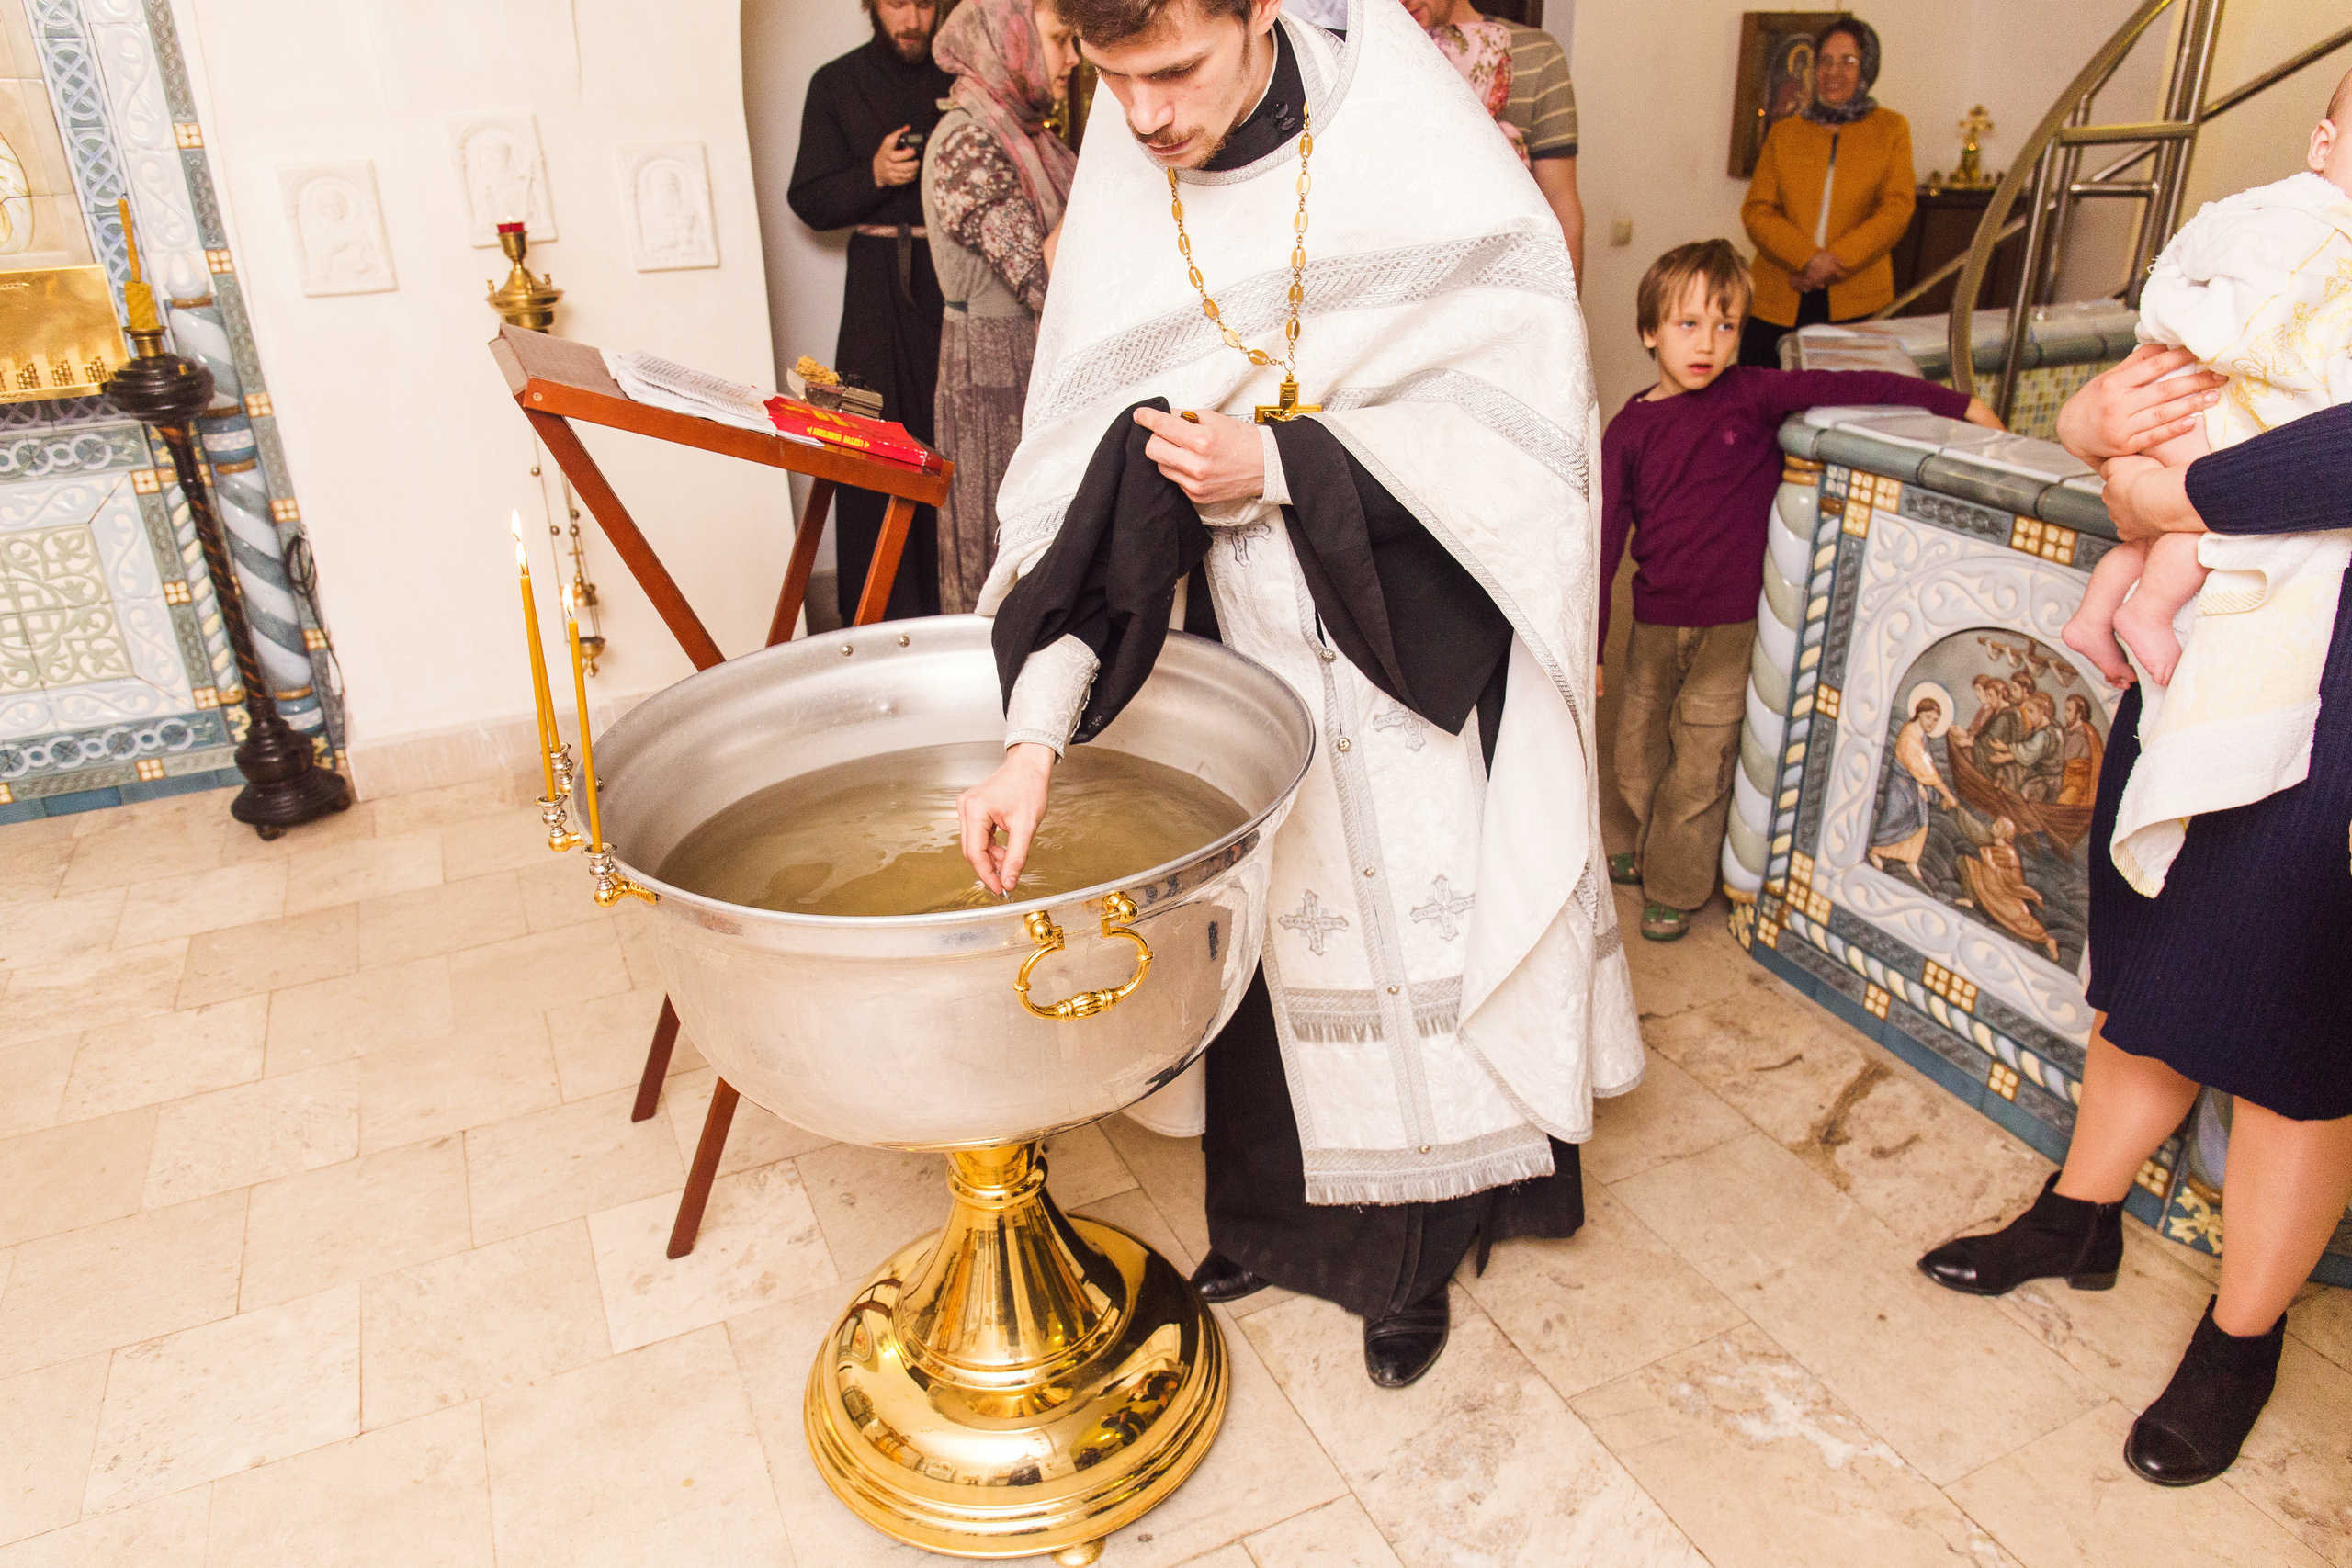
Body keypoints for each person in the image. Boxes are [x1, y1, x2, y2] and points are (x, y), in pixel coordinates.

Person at [953, 0, 1643, 1391]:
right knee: (1283, 933)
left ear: (1262, 7)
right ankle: (1276, 1226)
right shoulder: (1134, 191)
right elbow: (1091, 505)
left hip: (1413, 635)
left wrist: (1278, 464)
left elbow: (1516, 431)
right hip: (1246, 648)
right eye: (1113, 81)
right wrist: (1031, 744)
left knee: (1418, 932)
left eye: (1174, 70)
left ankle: (1416, 1253)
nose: (1144, 117)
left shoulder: (1408, 144)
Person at [1917, 343, 2351, 1489]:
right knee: (2152, 947)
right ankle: (2079, 1216)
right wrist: (2091, 423)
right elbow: (2204, 351)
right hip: (2219, 634)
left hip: (2338, 651)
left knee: (2300, 1020)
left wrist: (2174, 494)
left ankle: (2241, 1341)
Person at [1599, 239, 1998, 941]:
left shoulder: (1753, 396)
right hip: (1656, 620)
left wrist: (1960, 404)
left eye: (1725, 325)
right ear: (1649, 331)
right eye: (1688, 324)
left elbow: (1862, 386)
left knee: (1701, 761)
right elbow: (1603, 541)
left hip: (1730, 626)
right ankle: (1652, 839)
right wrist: (1594, 641)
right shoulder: (1628, 429)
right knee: (1635, 753)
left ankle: (1674, 882)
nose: (1707, 343)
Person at [2063, 78, 2352, 694]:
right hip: (2201, 405)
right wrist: (2083, 422)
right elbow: (2267, 332)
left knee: (2168, 531)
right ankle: (2146, 612)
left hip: (2186, 403)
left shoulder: (2262, 213)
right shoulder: (2308, 231)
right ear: (2322, 147)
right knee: (2206, 524)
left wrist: (2129, 473)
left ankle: (2095, 615)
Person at [789, 0, 955, 624]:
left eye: (923, 3)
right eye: (895, 3)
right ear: (870, 6)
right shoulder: (836, 82)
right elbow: (809, 200)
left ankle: (961, 599)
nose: (911, 19)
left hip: (956, 281)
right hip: (875, 290)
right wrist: (875, 174)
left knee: (955, 435)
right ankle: (878, 613)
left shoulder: (963, 77)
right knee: (870, 438)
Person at [923, 0, 1083, 613]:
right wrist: (1112, 172)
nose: (1074, 58)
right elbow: (1042, 279)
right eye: (1060, 39)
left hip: (1034, 366)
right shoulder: (966, 141)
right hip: (993, 383)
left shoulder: (1031, 136)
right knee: (1005, 561)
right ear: (1010, 40)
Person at [1736, 17, 1914, 368]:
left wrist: (1834, 262)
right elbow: (1757, 210)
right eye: (1825, 61)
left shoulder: (1891, 129)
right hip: (1780, 293)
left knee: (1844, 396)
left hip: (1857, 299)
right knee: (1762, 394)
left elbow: (1896, 210)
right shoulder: (1784, 132)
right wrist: (1808, 259)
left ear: (1867, 69)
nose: (1834, 72)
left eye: (1848, 61)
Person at [1400, 0, 1582, 279]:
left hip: (1510, 278)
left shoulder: (1537, 55)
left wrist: (1566, 303)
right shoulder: (1378, 52)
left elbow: (1561, 207)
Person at [1868, 695, 1959, 883]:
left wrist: (1922, 786)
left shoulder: (1921, 735)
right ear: (1918, 714)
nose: (1932, 723)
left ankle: (1910, 860)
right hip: (1901, 786)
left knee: (1921, 823)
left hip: (1913, 784)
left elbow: (1925, 765)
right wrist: (1947, 795)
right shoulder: (1910, 734)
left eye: (1935, 720)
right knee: (1894, 819)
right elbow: (1922, 768)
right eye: (1928, 717)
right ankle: (1876, 851)